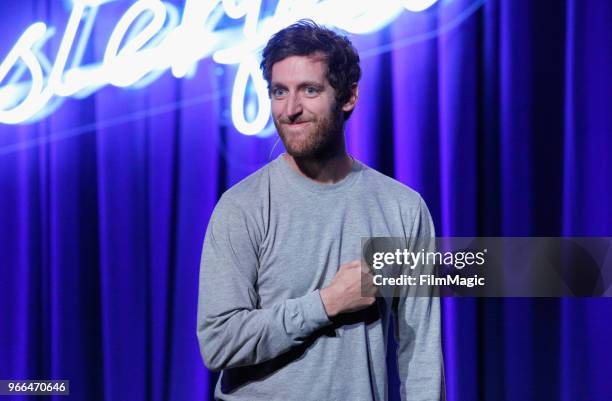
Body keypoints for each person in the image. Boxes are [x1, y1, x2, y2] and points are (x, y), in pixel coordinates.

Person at [197, 19, 444, 401]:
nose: (290, 109)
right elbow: (218, 342)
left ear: (347, 97)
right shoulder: (242, 207)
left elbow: (421, 352)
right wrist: (326, 303)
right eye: (279, 91)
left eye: (309, 90)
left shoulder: (402, 208)